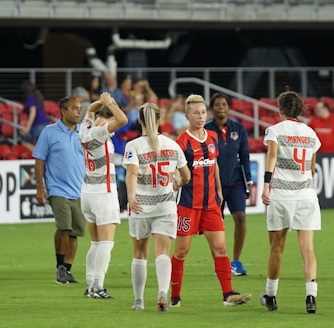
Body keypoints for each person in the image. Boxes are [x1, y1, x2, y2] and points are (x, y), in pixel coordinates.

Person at [170, 94, 251, 308]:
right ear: (187, 116)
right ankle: (175, 296)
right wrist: (176, 180)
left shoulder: (212, 137)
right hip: (188, 205)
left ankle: (228, 295)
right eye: (196, 113)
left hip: (211, 205)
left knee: (221, 249)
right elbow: (175, 169)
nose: (200, 116)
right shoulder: (182, 142)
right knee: (181, 251)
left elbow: (213, 164)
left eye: (203, 112)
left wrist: (218, 190)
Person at [123, 102, 190, 311]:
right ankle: (162, 292)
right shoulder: (172, 145)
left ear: (140, 120)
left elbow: (132, 173)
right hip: (166, 206)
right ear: (160, 119)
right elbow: (186, 175)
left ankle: (139, 300)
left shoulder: (133, 146)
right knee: (162, 252)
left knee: (140, 253)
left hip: (141, 206)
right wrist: (178, 181)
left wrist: (132, 196)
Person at [260, 89, 321, 314]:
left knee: (277, 248)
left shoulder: (275, 131)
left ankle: (271, 296)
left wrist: (266, 185)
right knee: (307, 248)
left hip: (282, 196)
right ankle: (311, 297)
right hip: (306, 194)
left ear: (280, 109)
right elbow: (312, 168)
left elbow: (272, 157)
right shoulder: (311, 134)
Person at [33, 96, 87, 284]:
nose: (79, 111)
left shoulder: (84, 133)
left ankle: (68, 270)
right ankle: (60, 267)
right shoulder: (49, 132)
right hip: (57, 188)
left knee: (75, 232)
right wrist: (40, 188)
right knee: (64, 227)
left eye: (80, 108)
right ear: (63, 111)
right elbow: (39, 160)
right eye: (75, 108)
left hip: (79, 190)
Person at [80, 92, 128, 298]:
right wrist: (109, 102)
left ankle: (90, 284)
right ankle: (98, 286)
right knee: (106, 243)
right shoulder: (100, 131)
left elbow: (90, 110)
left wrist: (100, 103)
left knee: (96, 243)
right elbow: (123, 120)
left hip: (87, 191)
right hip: (103, 192)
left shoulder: (85, 129)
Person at [204, 92, 253, 276]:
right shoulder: (206, 130)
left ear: (229, 107)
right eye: (217, 104)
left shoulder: (238, 129)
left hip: (236, 183)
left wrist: (248, 180)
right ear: (212, 108)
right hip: (214, 184)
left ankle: (236, 261)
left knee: (240, 218)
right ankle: (220, 263)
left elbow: (245, 156)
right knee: (216, 225)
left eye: (224, 104)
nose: (221, 107)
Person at [21, 81, 49, 152]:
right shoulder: (38, 96)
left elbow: (32, 112)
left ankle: (38, 153)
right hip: (44, 124)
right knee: (41, 145)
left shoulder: (31, 97)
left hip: (37, 125)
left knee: (24, 142)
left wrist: (27, 128)